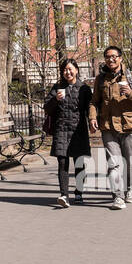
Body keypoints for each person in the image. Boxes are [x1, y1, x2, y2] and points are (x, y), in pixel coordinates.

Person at [90, 46, 132, 210]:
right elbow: (94, 102)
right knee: (113, 163)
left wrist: (129, 93)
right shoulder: (100, 79)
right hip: (108, 126)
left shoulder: (131, 76)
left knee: (129, 163)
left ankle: (129, 190)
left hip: (128, 126)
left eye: (114, 56)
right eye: (107, 57)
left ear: (120, 58)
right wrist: (93, 117)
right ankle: (118, 197)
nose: (111, 59)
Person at [44, 58, 93, 207]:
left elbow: (90, 107)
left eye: (70, 69)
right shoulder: (58, 87)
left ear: (76, 70)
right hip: (61, 129)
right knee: (62, 163)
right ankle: (64, 195)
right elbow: (47, 107)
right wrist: (55, 100)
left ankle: (79, 193)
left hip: (78, 130)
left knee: (79, 163)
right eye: (65, 70)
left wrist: (93, 120)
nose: (68, 72)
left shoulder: (84, 89)